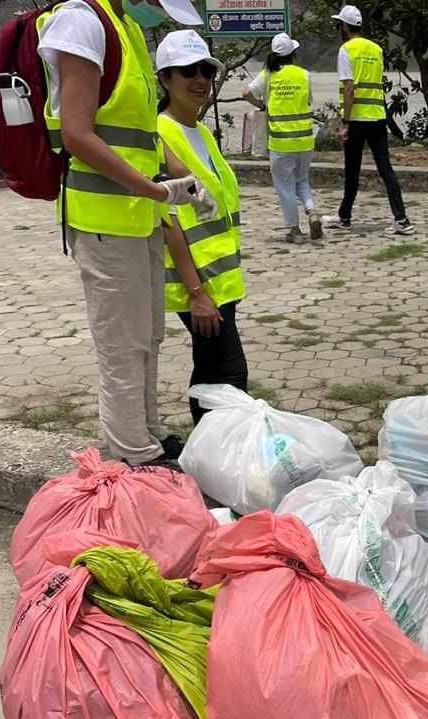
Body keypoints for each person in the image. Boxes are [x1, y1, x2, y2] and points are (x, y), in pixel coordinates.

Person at [37, 0, 215, 466]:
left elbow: (142, 136)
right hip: (103, 222)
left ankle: (148, 436)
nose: (158, 8)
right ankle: (133, 455)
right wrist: (159, 192)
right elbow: (78, 134)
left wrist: (186, 179)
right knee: (121, 346)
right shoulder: (81, 22)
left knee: (147, 337)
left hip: (137, 219)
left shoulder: (127, 29)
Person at [154, 30, 250, 427]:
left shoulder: (203, 133)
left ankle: (214, 454)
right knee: (229, 374)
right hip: (197, 285)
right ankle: (224, 451)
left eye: (206, 72)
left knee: (213, 370)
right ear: (164, 79)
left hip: (221, 280)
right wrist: (196, 293)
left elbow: (212, 209)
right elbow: (168, 220)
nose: (199, 80)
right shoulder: (160, 135)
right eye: (186, 72)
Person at [326, 4, 413, 235]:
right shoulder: (376, 49)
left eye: (338, 25)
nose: (338, 29)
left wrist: (344, 123)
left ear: (344, 27)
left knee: (352, 170)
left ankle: (344, 218)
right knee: (386, 169)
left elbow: (349, 89)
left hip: (356, 120)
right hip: (377, 118)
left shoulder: (346, 50)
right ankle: (402, 219)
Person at [244, 33, 320, 243]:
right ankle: (312, 212)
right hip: (305, 139)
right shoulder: (304, 74)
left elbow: (246, 93)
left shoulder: (268, 74)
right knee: (302, 180)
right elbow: (309, 102)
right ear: (293, 54)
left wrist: (262, 106)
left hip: (280, 142)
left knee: (285, 186)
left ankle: (294, 230)